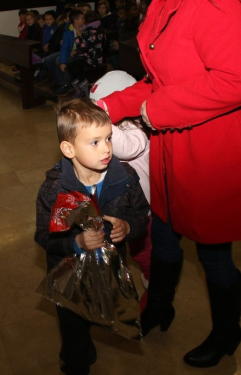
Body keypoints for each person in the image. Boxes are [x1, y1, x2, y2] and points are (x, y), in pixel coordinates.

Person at [96, 0, 241, 368]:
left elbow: (237, 80)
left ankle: (228, 332)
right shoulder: (166, 4)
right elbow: (158, 80)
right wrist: (105, 106)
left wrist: (157, 109)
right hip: (173, 143)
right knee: (162, 233)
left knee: (214, 253)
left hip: (212, 147)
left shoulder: (220, 5)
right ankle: (160, 308)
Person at [35, 98, 149, 375]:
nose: (107, 148)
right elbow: (43, 236)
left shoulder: (126, 177)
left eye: (108, 138)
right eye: (95, 142)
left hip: (109, 270)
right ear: (68, 148)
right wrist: (76, 242)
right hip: (69, 275)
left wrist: (129, 227)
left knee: (102, 311)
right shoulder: (55, 190)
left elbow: (141, 214)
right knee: (73, 329)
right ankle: (76, 362)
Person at [89, 71, 152, 310]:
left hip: (142, 208)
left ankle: (152, 281)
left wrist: (101, 119)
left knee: (143, 250)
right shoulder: (113, 128)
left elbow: (126, 148)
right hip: (119, 205)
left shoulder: (137, 130)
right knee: (124, 247)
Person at [50, 9, 86, 95]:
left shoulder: (86, 30)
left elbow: (86, 46)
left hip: (81, 54)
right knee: (59, 62)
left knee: (70, 64)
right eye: (82, 18)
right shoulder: (68, 32)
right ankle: (62, 83)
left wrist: (80, 36)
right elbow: (64, 48)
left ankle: (66, 84)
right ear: (76, 20)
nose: (84, 20)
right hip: (71, 53)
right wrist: (63, 62)